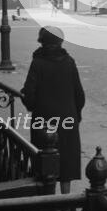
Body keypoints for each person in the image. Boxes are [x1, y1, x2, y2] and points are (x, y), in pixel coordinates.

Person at [21, 26, 85, 194]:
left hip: (44, 119)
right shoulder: (69, 62)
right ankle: (66, 202)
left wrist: (29, 104)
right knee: (66, 161)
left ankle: (49, 201)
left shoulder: (38, 63)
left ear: (42, 43)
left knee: (45, 161)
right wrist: (76, 114)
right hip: (67, 118)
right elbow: (79, 94)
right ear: (60, 43)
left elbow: (29, 94)